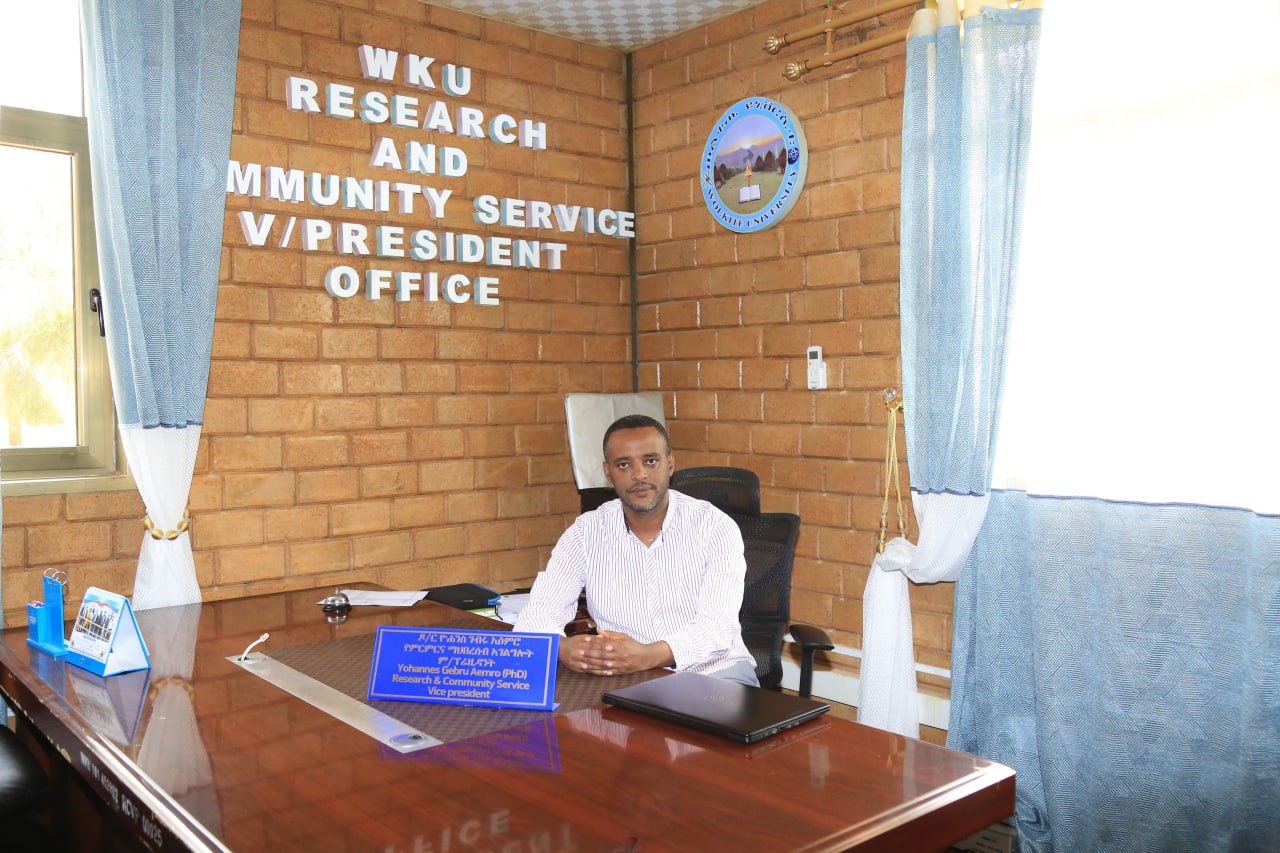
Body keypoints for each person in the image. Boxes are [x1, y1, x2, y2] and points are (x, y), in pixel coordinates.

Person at [514, 414, 759, 686]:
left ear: (670, 464)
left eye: (650, 461)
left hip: (714, 673)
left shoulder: (714, 527)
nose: (639, 475)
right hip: (628, 680)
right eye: (624, 465)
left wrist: (647, 655)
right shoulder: (585, 533)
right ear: (608, 472)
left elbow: (716, 629)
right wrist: (563, 648)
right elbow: (536, 616)